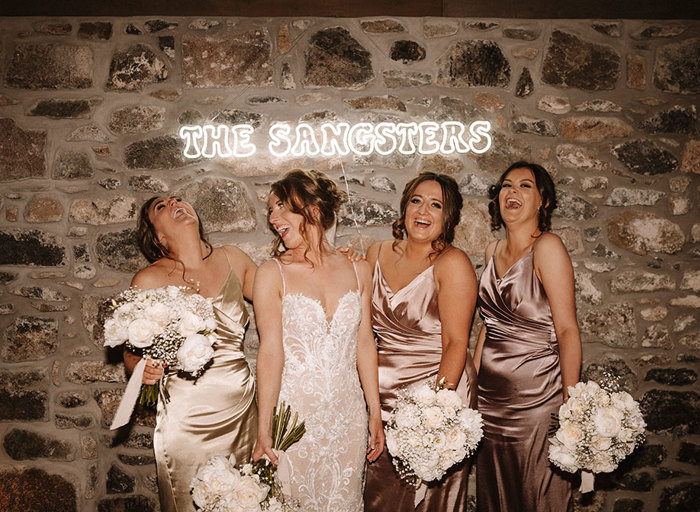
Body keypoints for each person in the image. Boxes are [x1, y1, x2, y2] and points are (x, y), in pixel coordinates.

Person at [252, 169, 384, 511]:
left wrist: (375, 412)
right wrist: (263, 429)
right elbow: (269, 354)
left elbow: (365, 343)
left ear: (311, 208)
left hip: (348, 418)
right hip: (293, 419)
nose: (273, 218)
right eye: (270, 210)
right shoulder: (272, 274)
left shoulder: (359, 268)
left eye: (281, 206)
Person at [124, 196, 258, 512]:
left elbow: (280, 290)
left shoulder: (233, 259)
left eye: (178, 199)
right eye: (162, 207)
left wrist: (320, 254)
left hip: (241, 416)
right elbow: (131, 353)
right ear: (157, 237)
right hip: (186, 422)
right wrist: (141, 368)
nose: (174, 203)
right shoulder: (148, 280)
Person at [364, 172, 479, 512]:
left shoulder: (452, 263)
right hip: (383, 397)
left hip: (435, 390)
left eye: (435, 205)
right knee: (381, 496)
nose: (423, 211)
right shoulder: (376, 253)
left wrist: (436, 415)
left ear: (448, 218)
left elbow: (457, 343)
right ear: (404, 208)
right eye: (416, 200)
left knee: (430, 502)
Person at [473, 162, 580, 511]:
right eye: (506, 185)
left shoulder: (547, 247)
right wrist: (470, 394)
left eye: (524, 186)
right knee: (497, 497)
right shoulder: (491, 252)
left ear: (543, 202)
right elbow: (488, 327)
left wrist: (572, 404)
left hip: (536, 402)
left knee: (538, 497)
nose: (512, 192)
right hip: (490, 404)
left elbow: (566, 328)